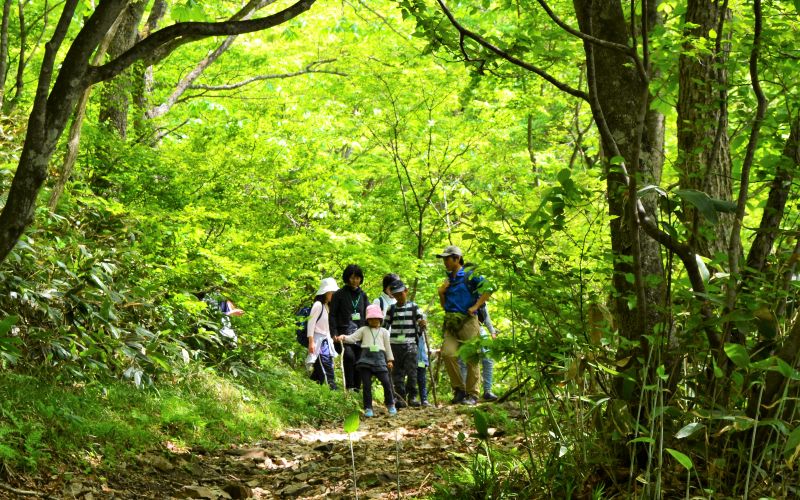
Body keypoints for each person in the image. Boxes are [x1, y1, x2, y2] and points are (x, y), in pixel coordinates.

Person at [436, 245, 494, 405]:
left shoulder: (470, 275)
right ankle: (459, 390)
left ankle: (473, 394)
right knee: (448, 353)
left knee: (471, 358)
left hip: (468, 321)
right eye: (444, 259)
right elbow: (444, 305)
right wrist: (441, 293)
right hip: (451, 322)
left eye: (447, 259)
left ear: (456, 258)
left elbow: (489, 287)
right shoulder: (448, 280)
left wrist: (476, 306)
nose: (445, 262)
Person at [335, 304, 396, 417]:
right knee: (366, 385)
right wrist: (343, 337)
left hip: (380, 359)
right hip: (365, 359)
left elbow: (388, 347)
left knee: (386, 383)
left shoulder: (384, 332)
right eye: (371, 319)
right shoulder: (363, 329)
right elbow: (352, 338)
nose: (374, 321)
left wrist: (390, 360)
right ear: (368, 320)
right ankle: (368, 408)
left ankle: (391, 404)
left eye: (376, 318)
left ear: (380, 319)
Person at [383, 280, 427, 408]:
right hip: (394, 345)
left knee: (412, 371)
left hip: (410, 344)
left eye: (400, 294)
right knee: (397, 373)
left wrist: (422, 324)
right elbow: (385, 327)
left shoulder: (414, 307)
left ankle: (413, 396)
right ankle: (400, 397)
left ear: (406, 291)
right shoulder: (391, 309)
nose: (398, 297)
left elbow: (420, 323)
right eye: (395, 295)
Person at [329, 264, 369, 391]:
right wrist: (333, 332)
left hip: (361, 332)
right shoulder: (339, 294)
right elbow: (333, 314)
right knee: (349, 356)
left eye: (357, 278)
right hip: (344, 332)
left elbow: (369, 314)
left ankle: (357, 387)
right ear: (347, 278)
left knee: (360, 360)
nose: (355, 280)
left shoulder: (363, 295)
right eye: (352, 278)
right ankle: (350, 386)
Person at [458, 305, 499, 401]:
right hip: (463, 329)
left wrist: (492, 331)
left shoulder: (478, 296)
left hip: (479, 328)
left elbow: (485, 313)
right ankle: (463, 392)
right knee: (463, 360)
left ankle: (487, 391)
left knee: (488, 357)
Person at [306, 277, 339, 390]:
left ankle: (312, 389)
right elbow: (311, 324)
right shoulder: (318, 305)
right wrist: (311, 342)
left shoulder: (327, 306)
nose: (333, 295)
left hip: (326, 341)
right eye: (332, 292)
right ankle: (332, 388)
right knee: (325, 364)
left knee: (321, 367)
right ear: (325, 292)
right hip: (318, 342)